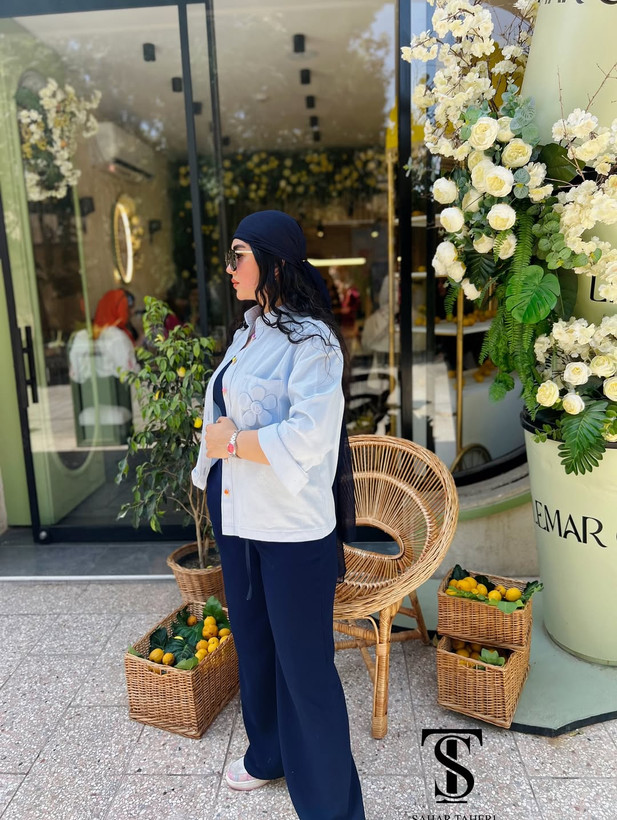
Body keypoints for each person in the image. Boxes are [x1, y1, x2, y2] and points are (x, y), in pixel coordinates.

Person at [192, 210, 365, 820]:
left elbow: (309, 435)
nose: (229, 268)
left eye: (238, 255)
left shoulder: (313, 342)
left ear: (273, 261)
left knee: (305, 666)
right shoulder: (247, 334)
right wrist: (212, 458)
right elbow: (223, 416)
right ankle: (268, 754)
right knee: (255, 646)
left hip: (291, 528)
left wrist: (232, 443)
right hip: (238, 517)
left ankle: (332, 807)